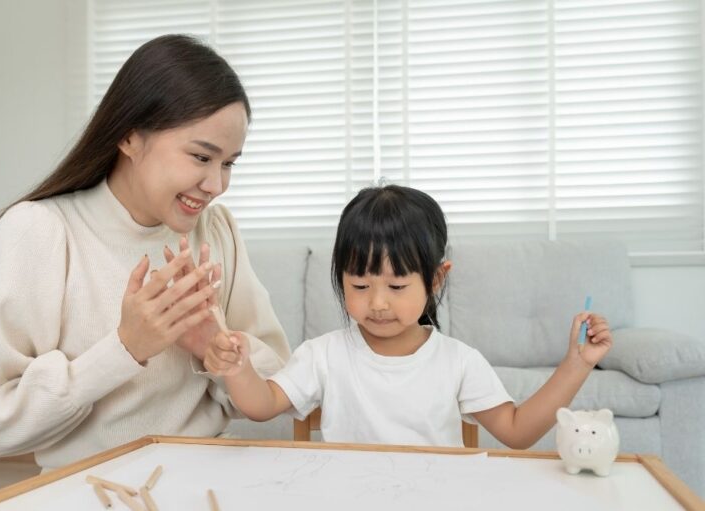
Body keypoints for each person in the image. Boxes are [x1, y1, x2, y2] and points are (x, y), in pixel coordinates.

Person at [0, 35, 290, 469]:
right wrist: (124, 349)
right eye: (200, 157)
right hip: (89, 487)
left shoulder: (216, 230)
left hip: (207, 473)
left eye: (228, 163)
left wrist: (215, 348)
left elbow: (278, 383)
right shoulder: (39, 233)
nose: (217, 185)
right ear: (130, 136)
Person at [204, 185, 613, 448]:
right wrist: (238, 369)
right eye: (360, 286)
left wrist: (575, 365)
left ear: (435, 279)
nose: (378, 303)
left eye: (397, 287)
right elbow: (263, 405)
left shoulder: (458, 361)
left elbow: (518, 431)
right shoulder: (323, 355)